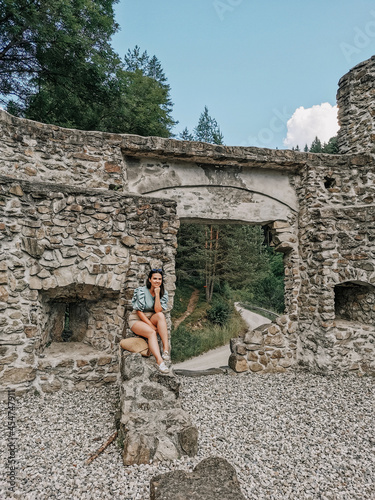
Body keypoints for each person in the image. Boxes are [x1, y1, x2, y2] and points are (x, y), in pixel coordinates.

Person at [128, 269, 170, 373]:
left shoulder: (163, 293)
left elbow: (158, 310)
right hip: (137, 319)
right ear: (150, 279)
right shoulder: (141, 291)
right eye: (155, 278)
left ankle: (165, 349)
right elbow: (139, 312)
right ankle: (160, 362)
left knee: (160, 315)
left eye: (159, 279)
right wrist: (151, 325)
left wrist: (157, 295)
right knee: (151, 333)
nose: (157, 281)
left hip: (152, 316)